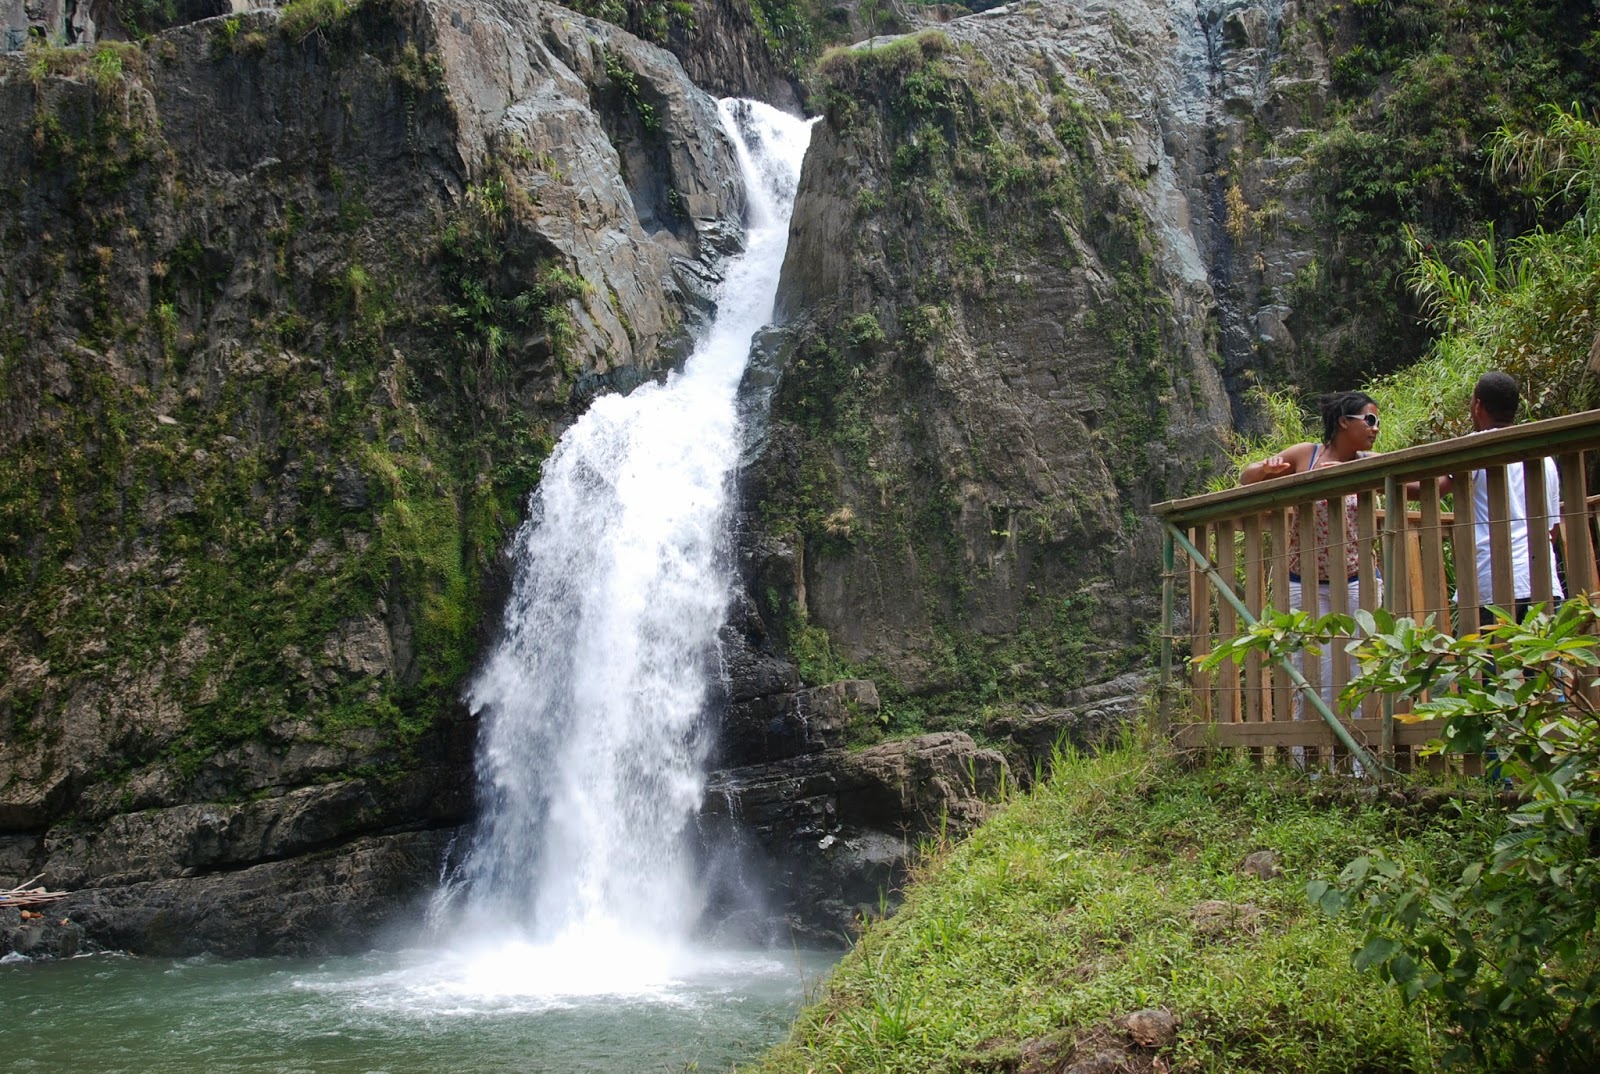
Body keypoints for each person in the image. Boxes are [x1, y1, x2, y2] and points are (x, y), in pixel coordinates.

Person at [1242, 392, 1381, 764]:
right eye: (1369, 420)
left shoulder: (1371, 463)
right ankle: (1309, 766)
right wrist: (1267, 469)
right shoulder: (1308, 455)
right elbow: (1246, 477)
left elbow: (1414, 484)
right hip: (1304, 583)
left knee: (1356, 674)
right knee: (1309, 678)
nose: (1376, 429)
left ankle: (1357, 766)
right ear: (1344, 422)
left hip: (1356, 583)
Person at [1435, 371, 1563, 626]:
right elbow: (1553, 530)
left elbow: (1428, 490)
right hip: (1542, 581)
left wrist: (1372, 468)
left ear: (1479, 405)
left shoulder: (1476, 447)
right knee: (1541, 663)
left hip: (1491, 583)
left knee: (1491, 664)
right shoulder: (1544, 458)